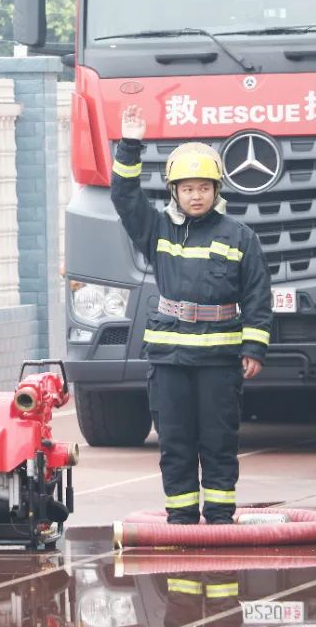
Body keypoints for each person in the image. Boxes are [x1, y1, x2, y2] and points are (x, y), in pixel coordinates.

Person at [111, 105, 272, 525]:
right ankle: (180, 518)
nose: (195, 195)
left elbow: (258, 294)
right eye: (187, 188)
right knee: (176, 441)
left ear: (216, 191)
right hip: (169, 360)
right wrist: (130, 145)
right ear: (174, 192)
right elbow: (124, 198)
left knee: (218, 440)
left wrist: (254, 347)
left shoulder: (240, 237)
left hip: (219, 360)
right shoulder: (157, 230)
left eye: (203, 187)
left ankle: (219, 517)